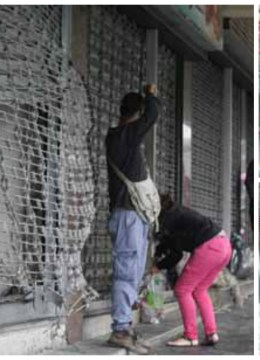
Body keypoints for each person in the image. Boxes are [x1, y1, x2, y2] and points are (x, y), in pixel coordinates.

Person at [105, 84, 161, 354]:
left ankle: (125, 326)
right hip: (127, 216)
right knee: (127, 272)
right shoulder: (124, 136)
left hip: (132, 216)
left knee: (133, 272)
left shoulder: (123, 137)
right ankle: (119, 330)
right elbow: (153, 114)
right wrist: (151, 94)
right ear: (136, 114)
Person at [152, 194, 232, 347]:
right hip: (224, 246)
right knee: (200, 290)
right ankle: (211, 333)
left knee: (182, 290)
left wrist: (158, 266)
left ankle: (190, 336)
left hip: (210, 247)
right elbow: (173, 245)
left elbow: (176, 254)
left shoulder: (169, 220)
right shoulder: (177, 213)